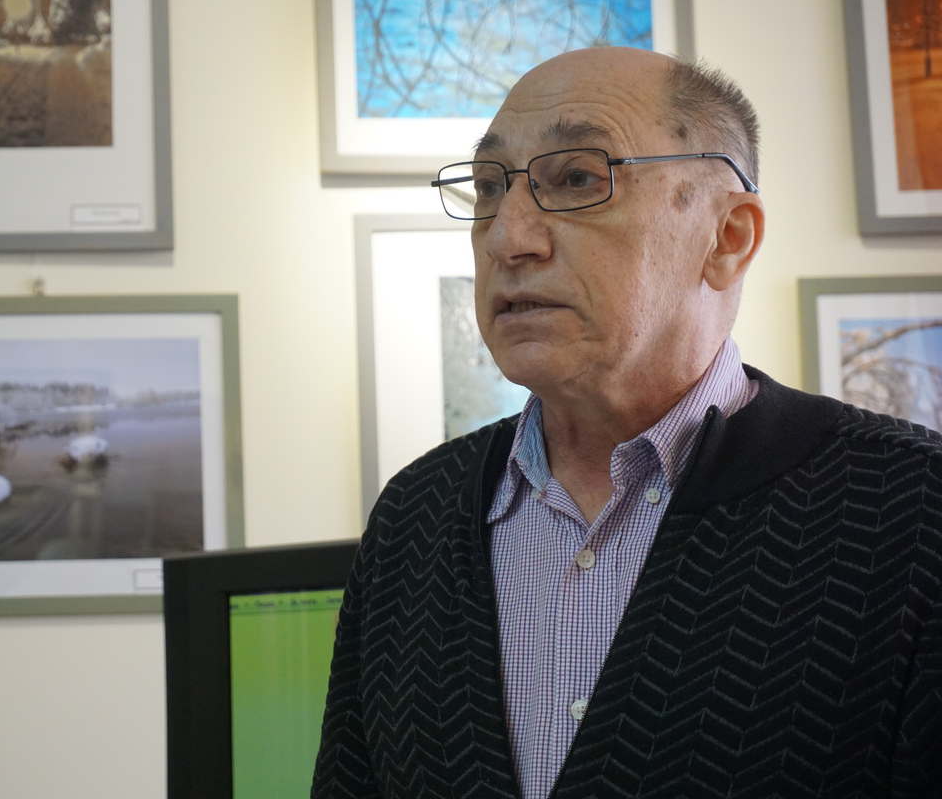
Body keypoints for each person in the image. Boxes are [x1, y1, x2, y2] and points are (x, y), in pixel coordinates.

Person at [311, 46, 941, 799]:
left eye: (578, 178)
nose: (508, 237)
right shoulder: (413, 517)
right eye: (489, 187)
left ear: (728, 237)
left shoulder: (911, 508)